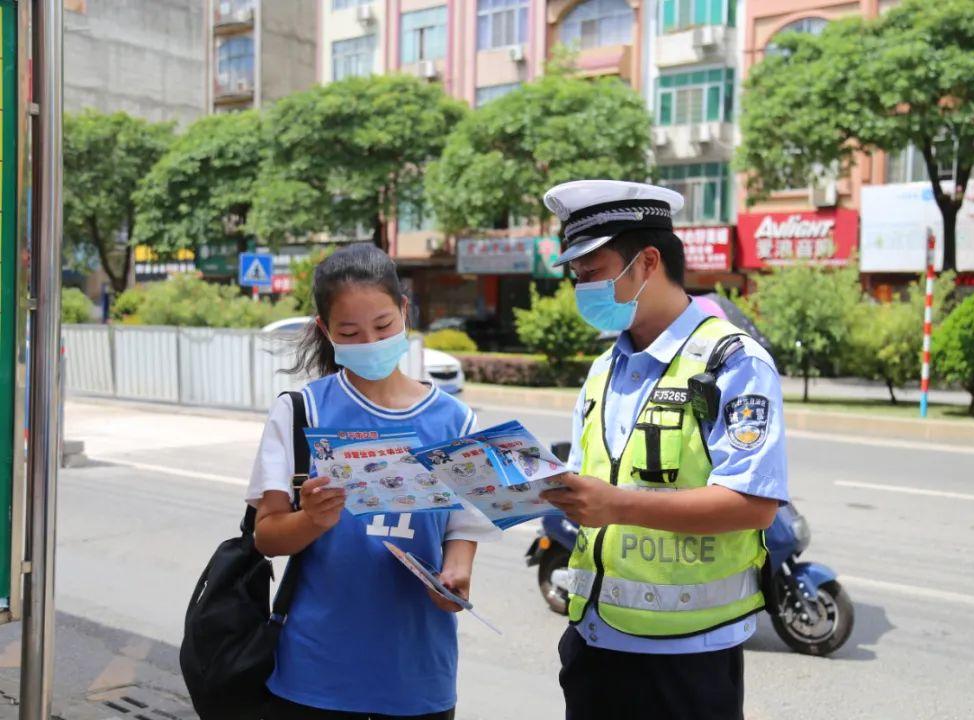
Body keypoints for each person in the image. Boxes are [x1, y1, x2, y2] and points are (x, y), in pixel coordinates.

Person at [539, 180, 789, 720]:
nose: (580, 286)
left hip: (687, 657)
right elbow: (591, 485)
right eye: (575, 275)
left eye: (591, 271)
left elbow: (754, 504)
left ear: (647, 261)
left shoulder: (732, 362)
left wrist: (618, 505)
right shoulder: (604, 368)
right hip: (594, 643)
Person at [246, 244, 496, 720]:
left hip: (418, 677)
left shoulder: (458, 421)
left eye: (382, 326)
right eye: (349, 332)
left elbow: (463, 529)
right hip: (314, 676)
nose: (369, 341)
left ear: (404, 310)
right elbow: (267, 536)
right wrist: (312, 520)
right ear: (325, 331)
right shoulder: (300, 412)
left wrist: (456, 575)